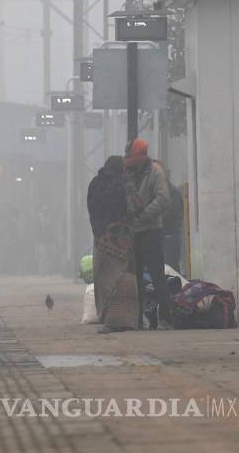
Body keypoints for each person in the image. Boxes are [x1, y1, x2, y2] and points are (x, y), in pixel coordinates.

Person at [86, 155, 139, 332]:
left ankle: (106, 318)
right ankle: (125, 320)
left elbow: (90, 208)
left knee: (104, 279)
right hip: (121, 240)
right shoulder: (125, 183)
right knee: (123, 277)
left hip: (101, 240)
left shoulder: (95, 183)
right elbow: (136, 206)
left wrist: (99, 230)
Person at [125, 138, 172, 329]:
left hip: (151, 231)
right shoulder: (129, 172)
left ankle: (165, 318)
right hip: (133, 232)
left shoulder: (155, 172)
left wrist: (142, 216)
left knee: (157, 275)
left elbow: (163, 199)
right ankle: (138, 318)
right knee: (135, 279)